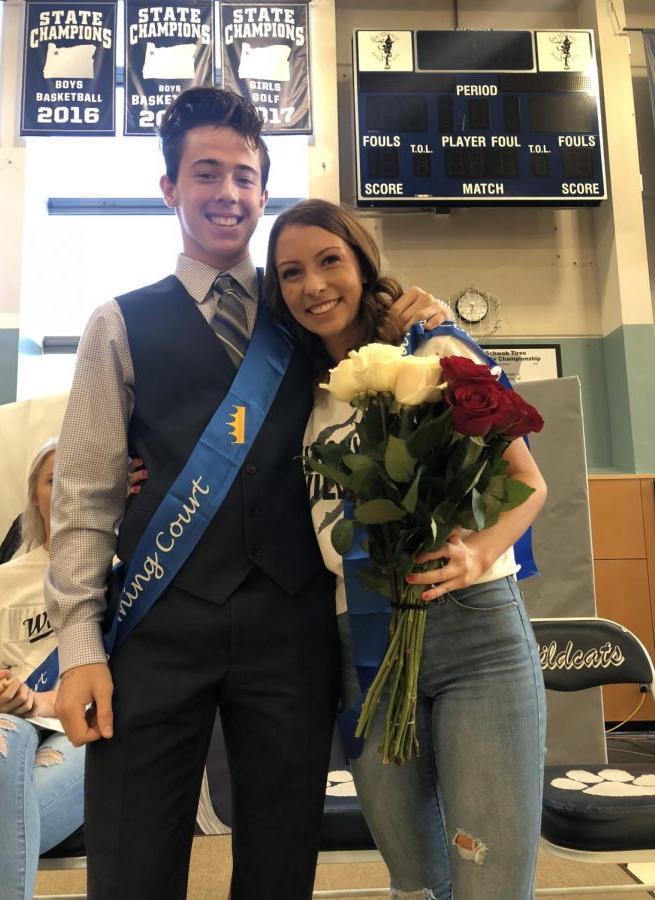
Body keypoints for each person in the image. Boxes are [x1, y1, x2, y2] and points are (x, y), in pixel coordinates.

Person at [44, 86, 452, 900]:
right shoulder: (117, 323)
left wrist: (428, 320)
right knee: (129, 860)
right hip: (156, 626)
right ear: (170, 189)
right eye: (205, 173)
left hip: (289, 625)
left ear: (263, 193)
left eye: (243, 176)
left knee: (280, 858)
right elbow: (85, 496)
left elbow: (406, 378)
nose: (226, 192)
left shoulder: (312, 314)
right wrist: (80, 649)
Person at [264, 198, 548, 900]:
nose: (313, 285)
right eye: (291, 272)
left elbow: (527, 482)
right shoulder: (298, 392)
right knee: (415, 884)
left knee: (490, 883)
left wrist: (479, 554)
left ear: (362, 264)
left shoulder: (432, 350)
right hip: (363, 648)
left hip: (473, 633)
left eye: (329, 260)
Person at [0, 439, 86, 900]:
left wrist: (44, 699)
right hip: (10, 717)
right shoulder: (2, 580)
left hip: (82, 725)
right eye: (50, 478)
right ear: (35, 497)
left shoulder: (127, 569)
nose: (62, 487)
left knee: (3, 811)